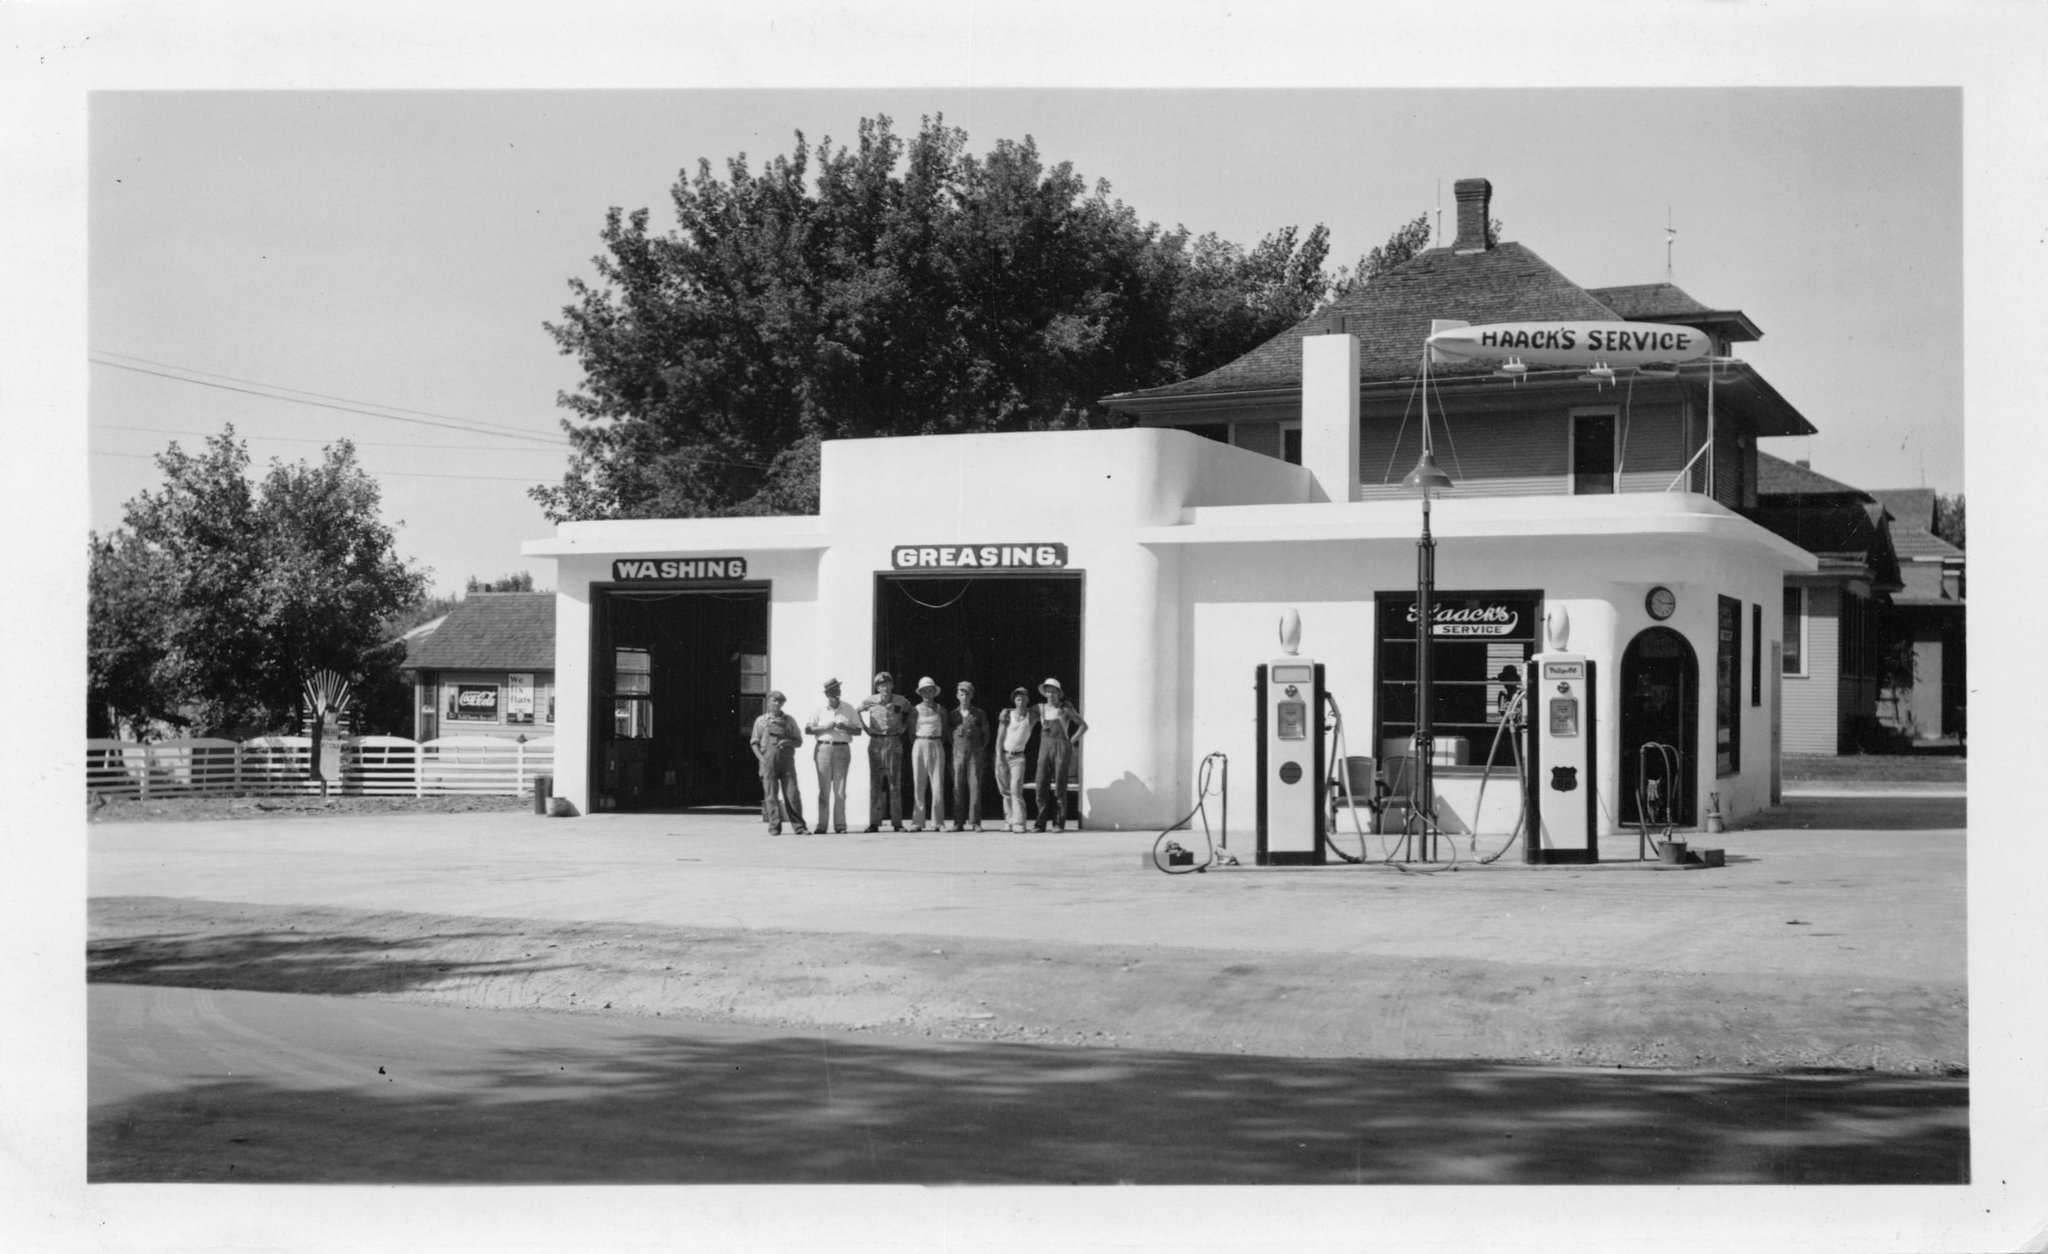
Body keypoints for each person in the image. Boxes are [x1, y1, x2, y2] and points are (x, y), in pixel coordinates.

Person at [804, 677, 863, 833]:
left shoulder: (848, 709)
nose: (834, 695)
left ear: (840, 692)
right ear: (826, 694)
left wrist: (846, 727)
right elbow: (808, 729)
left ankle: (840, 826)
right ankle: (822, 825)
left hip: (842, 749)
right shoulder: (819, 709)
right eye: (830, 692)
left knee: (840, 790)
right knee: (824, 790)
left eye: (836, 691)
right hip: (823, 749)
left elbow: (858, 731)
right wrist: (824, 727)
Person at [858, 671, 914, 832]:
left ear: (892, 685)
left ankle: (897, 823)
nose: (885, 687)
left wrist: (904, 727)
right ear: (877, 687)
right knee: (875, 783)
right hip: (876, 741)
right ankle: (874, 823)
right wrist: (865, 728)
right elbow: (856, 712)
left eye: (887, 684)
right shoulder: (870, 701)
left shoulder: (900, 700)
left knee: (894, 783)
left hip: (894, 741)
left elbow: (912, 711)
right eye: (881, 685)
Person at [748, 690, 809, 835]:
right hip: (768, 762)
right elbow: (754, 743)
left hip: (786, 762)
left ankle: (799, 827)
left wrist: (788, 741)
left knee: (792, 794)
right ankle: (774, 826)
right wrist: (762, 760)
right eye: (774, 701)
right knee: (770, 795)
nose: (776, 704)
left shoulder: (789, 721)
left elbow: (799, 741)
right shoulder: (761, 721)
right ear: (768, 702)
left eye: (779, 701)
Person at [1032, 677, 1088, 832]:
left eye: (1052, 690)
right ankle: (1040, 823)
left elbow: (1083, 726)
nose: (1050, 693)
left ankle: (1058, 823)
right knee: (1040, 783)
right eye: (1047, 689)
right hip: (1045, 747)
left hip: (1061, 747)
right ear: (1044, 692)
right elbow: (1023, 715)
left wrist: (1071, 740)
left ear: (1058, 692)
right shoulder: (1040, 709)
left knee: (1060, 786)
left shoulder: (1065, 708)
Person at [946, 680, 992, 832]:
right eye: (961, 694)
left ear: (971, 695)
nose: (964, 697)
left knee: (975, 786)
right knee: (958, 787)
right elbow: (948, 735)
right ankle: (958, 822)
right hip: (958, 753)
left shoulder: (979, 713)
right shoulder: (952, 715)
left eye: (967, 694)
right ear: (957, 696)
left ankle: (975, 822)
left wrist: (979, 748)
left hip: (975, 754)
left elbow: (986, 734)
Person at [992, 685, 1038, 833]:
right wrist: (999, 759)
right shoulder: (1007, 715)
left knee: (1015, 790)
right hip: (1004, 754)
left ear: (1028, 699)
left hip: (1018, 757)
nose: (1021, 699)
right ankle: (1009, 821)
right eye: (1018, 697)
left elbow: (1045, 708)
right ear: (1014, 700)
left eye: (1024, 696)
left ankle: (1019, 823)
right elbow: (999, 738)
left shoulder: (1031, 716)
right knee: (1005, 791)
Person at [908, 677, 949, 832]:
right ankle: (917, 821)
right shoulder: (915, 710)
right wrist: (921, 742)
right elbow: (911, 732)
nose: (927, 693)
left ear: (934, 692)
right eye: (924, 690)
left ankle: (938, 822)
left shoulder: (941, 709)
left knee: (937, 784)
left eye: (930, 690)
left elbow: (944, 731)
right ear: (920, 692)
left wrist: (935, 741)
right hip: (919, 744)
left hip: (936, 744)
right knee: (919, 783)